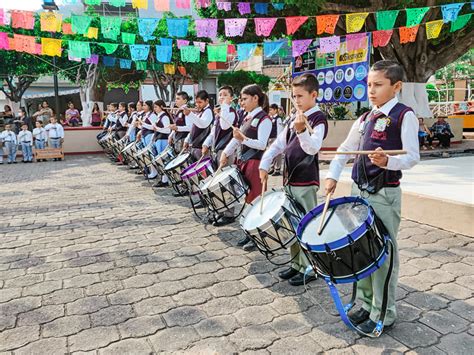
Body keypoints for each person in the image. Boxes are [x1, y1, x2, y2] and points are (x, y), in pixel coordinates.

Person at [325, 60, 420, 335]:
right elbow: (346, 149)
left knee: (383, 256)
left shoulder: (405, 115)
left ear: (396, 86)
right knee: (361, 253)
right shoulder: (366, 117)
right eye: (369, 85)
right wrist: (332, 175)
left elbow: (412, 156)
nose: (371, 90)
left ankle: (384, 312)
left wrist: (387, 161)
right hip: (358, 193)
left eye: (378, 85)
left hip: (384, 194)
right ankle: (366, 305)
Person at [260, 73, 328, 286]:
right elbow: (280, 144)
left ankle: (311, 267)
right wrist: (265, 163)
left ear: (314, 95)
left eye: (300, 96)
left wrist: (301, 131)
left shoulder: (318, 119)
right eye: (294, 96)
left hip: (306, 181)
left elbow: (313, 147)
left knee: (307, 226)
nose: (296, 100)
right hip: (289, 180)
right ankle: (296, 264)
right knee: (293, 224)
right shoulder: (293, 117)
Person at [219, 84, 271, 251]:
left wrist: (243, 139)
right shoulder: (247, 117)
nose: (241, 102)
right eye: (241, 99)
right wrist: (226, 153)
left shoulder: (265, 119)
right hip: (244, 162)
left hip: (256, 164)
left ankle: (258, 236)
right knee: (248, 201)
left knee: (255, 201)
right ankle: (250, 233)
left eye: (245, 99)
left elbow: (262, 145)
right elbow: (236, 138)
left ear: (256, 98)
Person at [202, 85, 239, 226]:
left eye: (224, 95)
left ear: (231, 98)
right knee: (218, 183)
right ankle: (221, 209)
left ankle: (229, 213)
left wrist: (223, 107)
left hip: (227, 152)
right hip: (217, 150)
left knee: (226, 183)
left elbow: (224, 126)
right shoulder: (220, 114)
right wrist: (206, 143)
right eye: (220, 95)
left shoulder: (231, 113)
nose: (221, 97)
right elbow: (213, 132)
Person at [183, 90, 214, 161]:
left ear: (207, 101)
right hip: (194, 146)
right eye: (196, 102)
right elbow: (193, 128)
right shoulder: (200, 111)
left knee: (204, 171)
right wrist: (187, 140)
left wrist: (190, 114)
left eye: (200, 102)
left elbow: (202, 124)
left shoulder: (208, 111)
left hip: (201, 147)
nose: (197, 104)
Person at [151, 99, 172, 187]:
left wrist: (157, 129)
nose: (155, 109)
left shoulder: (165, 117)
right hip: (158, 139)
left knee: (163, 160)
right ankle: (163, 178)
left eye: (156, 107)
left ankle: (165, 180)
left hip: (163, 139)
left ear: (161, 107)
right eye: (154, 107)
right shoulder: (159, 116)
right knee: (159, 160)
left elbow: (167, 130)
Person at [137, 100, 158, 179]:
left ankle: (154, 172)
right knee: (147, 155)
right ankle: (150, 170)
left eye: (145, 105)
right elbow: (144, 127)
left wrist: (143, 123)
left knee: (151, 154)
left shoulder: (152, 115)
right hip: (145, 135)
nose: (143, 107)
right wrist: (140, 125)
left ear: (149, 106)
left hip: (150, 135)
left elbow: (153, 127)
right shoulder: (146, 115)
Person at [267, 103, 284, 176]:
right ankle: (272, 168)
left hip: (275, 138)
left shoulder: (278, 118)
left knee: (277, 154)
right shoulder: (271, 118)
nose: (270, 111)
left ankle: (277, 169)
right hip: (271, 138)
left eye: (271, 110)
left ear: (275, 110)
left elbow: (279, 130)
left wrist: (278, 140)